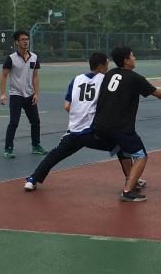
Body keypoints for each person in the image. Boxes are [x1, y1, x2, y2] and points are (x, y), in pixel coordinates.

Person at [24, 53, 139, 192]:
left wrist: (79, 116)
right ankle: (131, 180)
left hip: (74, 130)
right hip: (92, 132)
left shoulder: (77, 79)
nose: (108, 69)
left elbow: (67, 106)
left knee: (55, 155)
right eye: (107, 66)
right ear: (101, 67)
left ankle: (32, 180)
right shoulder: (105, 80)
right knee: (122, 146)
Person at [92, 46, 161, 202]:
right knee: (141, 156)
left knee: (122, 150)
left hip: (100, 125)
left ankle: (131, 180)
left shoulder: (109, 74)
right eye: (132, 56)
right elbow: (160, 95)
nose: (134, 58)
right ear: (126, 60)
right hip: (119, 127)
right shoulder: (135, 78)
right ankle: (127, 191)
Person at [0, 29, 46, 158]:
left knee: (35, 121)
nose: (26, 42)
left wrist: (36, 93)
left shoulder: (34, 57)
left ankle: (36, 146)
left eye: (27, 39)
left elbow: (35, 76)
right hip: (16, 95)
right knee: (14, 122)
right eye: (23, 39)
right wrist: (2, 94)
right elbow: (3, 76)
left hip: (30, 95)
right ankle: (8, 148)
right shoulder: (11, 59)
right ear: (16, 42)